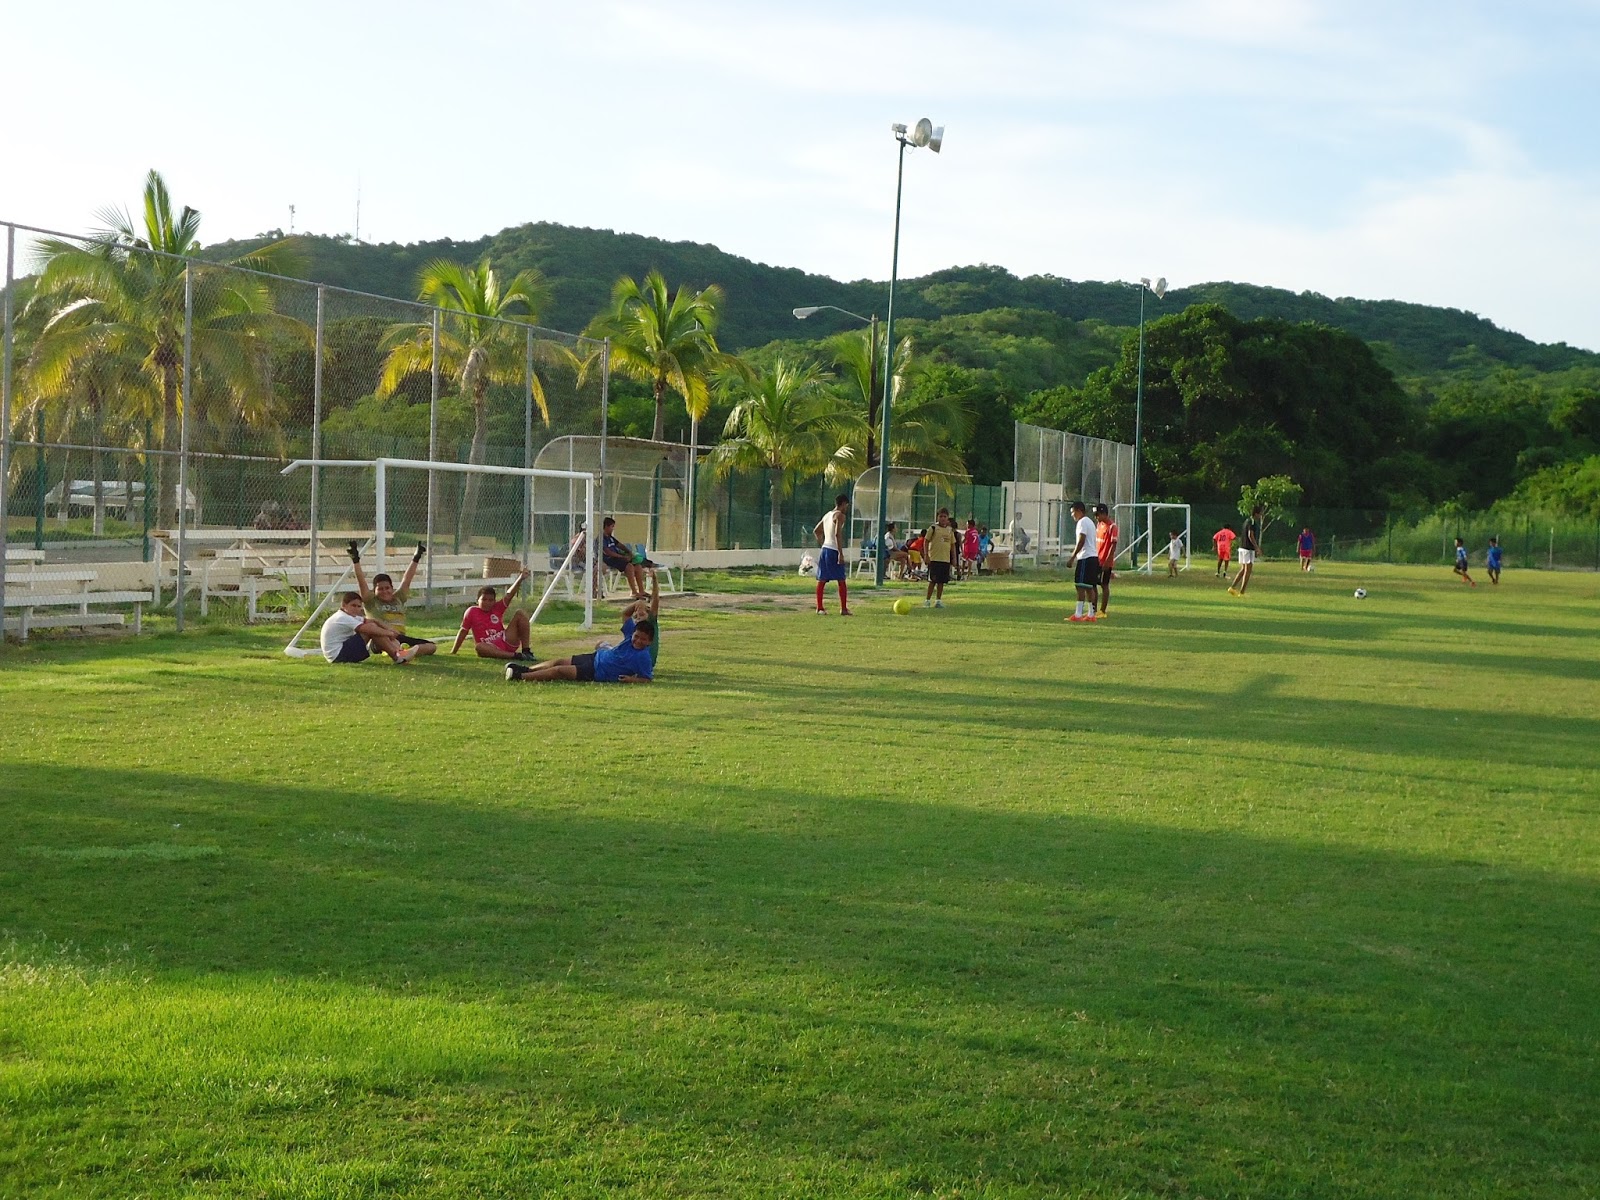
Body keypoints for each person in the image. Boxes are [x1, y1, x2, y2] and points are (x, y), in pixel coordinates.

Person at [348, 540, 435, 658]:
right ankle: (394, 650)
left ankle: (405, 651)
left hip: (400, 637)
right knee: (387, 641)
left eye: (387, 588)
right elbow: (361, 581)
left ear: (392, 588)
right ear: (374, 591)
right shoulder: (371, 602)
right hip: (381, 638)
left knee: (432, 646)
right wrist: (355, 560)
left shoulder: (398, 598)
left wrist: (417, 556)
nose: (385, 591)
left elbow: (407, 579)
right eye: (380, 589)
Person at [505, 619, 655, 684]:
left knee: (559, 671)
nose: (638, 641)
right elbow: (626, 614)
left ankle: (520, 676)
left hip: (597, 671)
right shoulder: (630, 638)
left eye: (643, 639)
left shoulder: (643, 657)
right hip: (595, 657)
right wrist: (638, 604)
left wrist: (631, 680)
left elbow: (647, 679)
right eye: (636, 637)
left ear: (649, 642)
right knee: (558, 661)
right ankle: (528, 669)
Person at [450, 570, 536, 660]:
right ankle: (516, 656)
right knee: (479, 647)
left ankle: (526, 651)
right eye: (484, 599)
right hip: (489, 647)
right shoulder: (471, 611)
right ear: (477, 600)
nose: (487, 603)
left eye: (490, 600)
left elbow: (509, 595)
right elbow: (463, 631)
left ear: (494, 601)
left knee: (520, 614)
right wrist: (454, 651)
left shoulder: (497, 608)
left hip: (505, 640)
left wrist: (520, 578)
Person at [319, 591, 419, 665]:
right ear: (344, 605)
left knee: (373, 627)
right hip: (338, 656)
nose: (357, 609)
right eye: (353, 606)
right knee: (372, 630)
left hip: (339, 653)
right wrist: (390, 634)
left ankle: (399, 654)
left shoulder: (348, 615)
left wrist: (389, 630)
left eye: (359, 606)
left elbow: (373, 620)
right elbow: (367, 629)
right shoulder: (342, 617)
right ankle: (398, 657)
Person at [812, 494, 853, 616]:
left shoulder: (827, 515)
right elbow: (837, 534)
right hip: (833, 550)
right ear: (844, 504)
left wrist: (822, 542)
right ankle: (843, 608)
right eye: (846, 505)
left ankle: (819, 608)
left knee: (822, 579)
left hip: (825, 549)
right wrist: (840, 552)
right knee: (841, 579)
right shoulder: (840, 515)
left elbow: (817, 531)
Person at [600, 517, 651, 600]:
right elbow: (607, 552)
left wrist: (629, 552)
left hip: (617, 558)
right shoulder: (601, 538)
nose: (613, 529)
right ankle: (634, 592)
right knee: (629, 566)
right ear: (606, 526)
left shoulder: (611, 538)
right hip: (609, 559)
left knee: (638, 566)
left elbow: (620, 545)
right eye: (612, 527)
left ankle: (641, 590)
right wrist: (622, 557)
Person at [1066, 501, 1100, 622]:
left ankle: (1078, 614)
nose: (1072, 515)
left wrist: (1073, 556)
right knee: (1089, 587)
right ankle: (1091, 614)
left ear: (1079, 510)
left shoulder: (1082, 522)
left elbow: (1081, 540)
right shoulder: (1090, 522)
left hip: (1085, 557)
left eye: (1073, 512)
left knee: (1080, 585)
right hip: (1093, 557)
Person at [922, 508, 958, 607]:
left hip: (945, 559)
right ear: (937, 517)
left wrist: (954, 558)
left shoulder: (949, 530)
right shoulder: (933, 528)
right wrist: (926, 555)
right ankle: (927, 600)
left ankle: (938, 600)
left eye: (944, 517)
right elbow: (926, 541)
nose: (942, 518)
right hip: (934, 559)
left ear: (947, 518)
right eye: (940, 516)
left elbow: (952, 545)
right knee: (932, 581)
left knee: (941, 582)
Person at [1094, 503, 1118, 617]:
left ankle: (1102, 611)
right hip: (1096, 559)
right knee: (1093, 584)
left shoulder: (1112, 526)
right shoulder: (1099, 524)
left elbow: (1113, 545)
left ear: (1104, 513)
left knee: (1104, 585)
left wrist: (1108, 561)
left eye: (1098, 514)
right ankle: (1092, 609)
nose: (1096, 517)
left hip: (1105, 561)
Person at [1229, 508, 1261, 596]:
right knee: (1248, 570)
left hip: (1242, 548)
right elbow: (1250, 535)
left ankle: (1232, 587)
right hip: (1248, 549)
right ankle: (1242, 592)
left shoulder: (1246, 521)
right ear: (1256, 514)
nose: (1260, 516)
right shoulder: (1252, 522)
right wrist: (1256, 547)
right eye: (1260, 514)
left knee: (1243, 569)